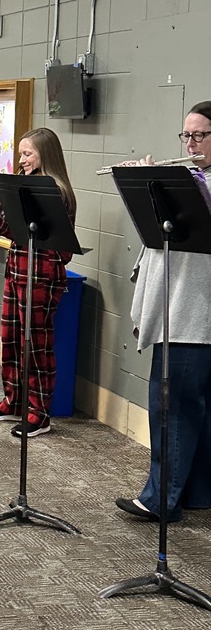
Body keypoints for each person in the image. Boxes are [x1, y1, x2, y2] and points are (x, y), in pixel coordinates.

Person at [115, 102, 211, 522]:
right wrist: (148, 188)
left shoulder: (199, 185)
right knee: (190, 405)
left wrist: (175, 185)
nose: (189, 144)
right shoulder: (193, 180)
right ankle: (196, 493)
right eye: (185, 136)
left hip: (196, 315)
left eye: (199, 136)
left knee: (173, 404)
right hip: (178, 309)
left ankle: (161, 499)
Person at [0, 127, 76, 438]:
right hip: (18, 269)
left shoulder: (54, 191)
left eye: (27, 154)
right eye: (21, 153)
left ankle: (40, 413)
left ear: (44, 155)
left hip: (41, 274)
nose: (21, 159)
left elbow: (23, 231)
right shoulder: (24, 186)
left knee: (36, 344)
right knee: (11, 337)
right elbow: (6, 227)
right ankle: (14, 400)